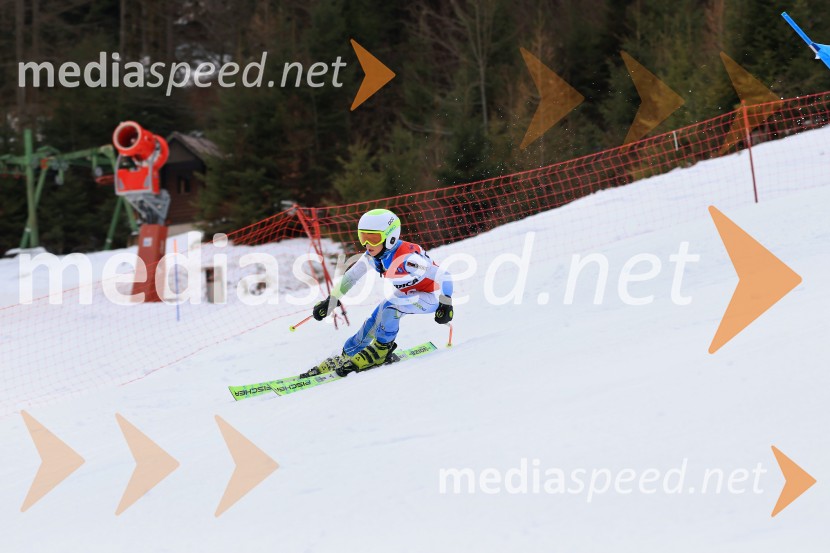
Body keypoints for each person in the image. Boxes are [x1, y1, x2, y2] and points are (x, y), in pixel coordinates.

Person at [305, 208, 453, 377]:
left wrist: (446, 303)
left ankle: (382, 349)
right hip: (407, 294)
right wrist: (332, 300)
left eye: (374, 238)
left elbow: (444, 275)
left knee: (390, 308)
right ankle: (348, 354)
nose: (368, 245)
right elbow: (351, 277)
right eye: (363, 238)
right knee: (376, 319)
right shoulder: (373, 256)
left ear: (390, 237)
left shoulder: (408, 260)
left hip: (428, 298)